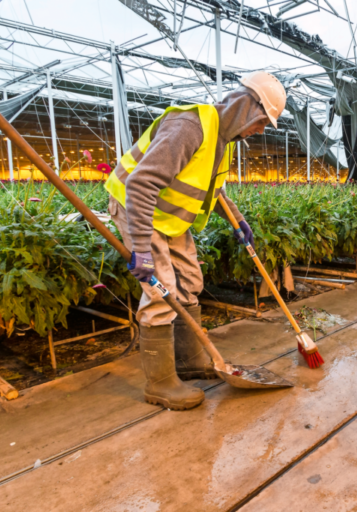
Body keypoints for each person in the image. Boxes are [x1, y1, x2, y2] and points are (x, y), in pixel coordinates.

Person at [104, 72, 286, 410]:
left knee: (190, 280)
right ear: (247, 108)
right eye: (262, 122)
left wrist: (239, 220)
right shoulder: (190, 127)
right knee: (161, 290)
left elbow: (210, 189)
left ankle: (189, 360)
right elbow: (141, 185)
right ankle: (159, 383)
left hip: (169, 216)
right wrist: (141, 248)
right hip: (138, 209)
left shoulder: (221, 140)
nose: (260, 131)